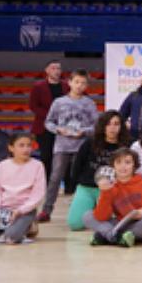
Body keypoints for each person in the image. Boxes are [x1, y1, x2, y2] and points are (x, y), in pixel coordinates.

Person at [39, 69, 99, 222]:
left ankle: (90, 210)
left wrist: (83, 132)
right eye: (77, 82)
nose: (80, 85)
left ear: (87, 85)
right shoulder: (59, 102)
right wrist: (58, 129)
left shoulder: (89, 103)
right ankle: (46, 210)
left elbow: (96, 127)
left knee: (84, 178)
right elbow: (48, 122)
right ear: (70, 82)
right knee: (55, 177)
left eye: (83, 83)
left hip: (82, 147)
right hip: (62, 146)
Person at [83, 147, 142, 247]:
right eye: (118, 162)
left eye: (127, 162)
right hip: (120, 223)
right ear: (113, 165)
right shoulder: (110, 186)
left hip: (140, 223)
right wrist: (105, 192)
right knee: (88, 216)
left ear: (134, 165)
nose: (123, 166)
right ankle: (119, 237)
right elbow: (102, 217)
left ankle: (108, 236)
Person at [0, 132, 45, 245]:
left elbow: (37, 194)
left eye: (29, 145)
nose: (26, 149)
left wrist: (20, 210)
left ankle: (28, 225)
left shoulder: (37, 166)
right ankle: (11, 226)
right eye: (21, 145)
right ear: (11, 148)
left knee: (11, 238)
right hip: (3, 210)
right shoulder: (3, 165)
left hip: (24, 211)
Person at [67, 110, 131, 231]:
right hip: (87, 188)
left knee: (115, 222)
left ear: (121, 126)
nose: (112, 128)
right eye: (108, 124)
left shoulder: (127, 145)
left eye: (116, 124)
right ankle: (92, 207)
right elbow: (77, 165)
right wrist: (75, 188)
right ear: (103, 126)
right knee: (75, 224)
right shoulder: (90, 142)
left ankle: (98, 210)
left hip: (113, 190)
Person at [29, 59, 64, 171]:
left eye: (58, 68)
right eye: (53, 68)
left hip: (63, 126)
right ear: (47, 70)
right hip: (44, 127)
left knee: (61, 155)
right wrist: (50, 116)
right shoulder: (38, 86)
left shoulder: (67, 86)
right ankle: (45, 180)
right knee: (46, 155)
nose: (56, 71)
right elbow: (33, 106)